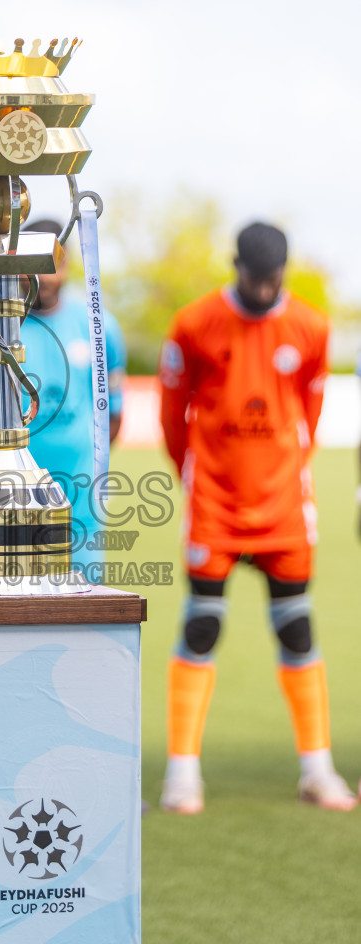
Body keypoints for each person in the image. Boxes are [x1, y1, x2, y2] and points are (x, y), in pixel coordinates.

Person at [158, 221, 355, 813]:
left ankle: (317, 770)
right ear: (235, 266)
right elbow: (172, 417)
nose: (266, 290)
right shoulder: (193, 324)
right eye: (256, 279)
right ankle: (182, 774)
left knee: (297, 629)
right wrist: (201, 475)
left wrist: (281, 467)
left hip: (284, 509)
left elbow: (310, 413)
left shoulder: (312, 327)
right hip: (214, 506)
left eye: (275, 280)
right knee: (202, 627)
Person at [0, 219, 126, 577]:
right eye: (32, 264)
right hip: (5, 509)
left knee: (85, 604)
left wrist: (87, 471)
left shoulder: (100, 326)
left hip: (80, 511)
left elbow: (114, 415)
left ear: (66, 264)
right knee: (10, 603)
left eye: (52, 264)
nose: (44, 276)